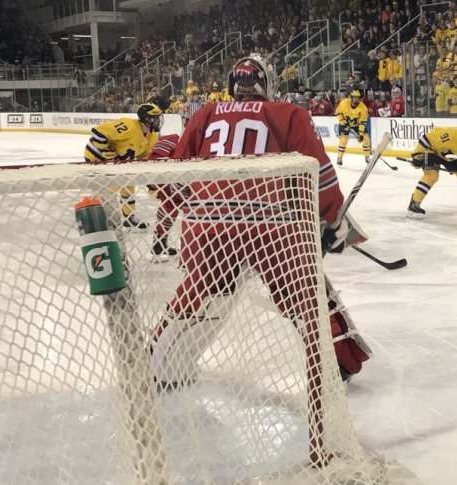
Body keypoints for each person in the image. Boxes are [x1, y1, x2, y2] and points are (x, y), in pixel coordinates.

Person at [155, 55, 370, 386]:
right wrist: (332, 220)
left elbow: (176, 177)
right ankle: (337, 365)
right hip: (269, 225)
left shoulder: (205, 113)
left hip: (206, 224)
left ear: (232, 86)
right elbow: (317, 173)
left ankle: (159, 363)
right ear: (268, 84)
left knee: (197, 292)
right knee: (305, 296)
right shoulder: (288, 113)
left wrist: (177, 222)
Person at [84, 100, 163, 230]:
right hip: (96, 157)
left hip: (117, 163)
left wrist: (151, 184)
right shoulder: (128, 126)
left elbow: (145, 160)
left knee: (128, 183)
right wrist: (105, 151)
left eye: (158, 118)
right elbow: (98, 132)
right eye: (154, 118)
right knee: (107, 189)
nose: (158, 121)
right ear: (145, 119)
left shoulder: (152, 136)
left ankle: (128, 217)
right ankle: (98, 216)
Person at [406, 119, 457, 219]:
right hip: (433, 151)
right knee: (432, 176)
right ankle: (414, 204)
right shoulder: (451, 135)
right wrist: (417, 155)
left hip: (449, 156)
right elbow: (425, 139)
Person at [147, 133, 184, 260]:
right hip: (168, 174)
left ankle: (159, 243)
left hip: (165, 173)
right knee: (190, 209)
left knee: (169, 206)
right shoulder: (176, 139)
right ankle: (189, 250)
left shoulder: (174, 138)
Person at [334, 89, 371, 165]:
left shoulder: (363, 108)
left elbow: (362, 122)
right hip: (345, 122)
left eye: (358, 98)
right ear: (351, 97)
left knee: (366, 139)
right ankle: (339, 158)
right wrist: (343, 122)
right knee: (343, 140)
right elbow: (337, 113)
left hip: (357, 125)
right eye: (354, 97)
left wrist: (360, 134)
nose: (356, 99)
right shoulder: (344, 103)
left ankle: (367, 157)